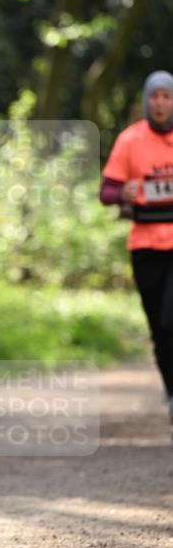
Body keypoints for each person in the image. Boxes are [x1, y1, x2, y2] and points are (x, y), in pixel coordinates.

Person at [100, 70, 173, 439]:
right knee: (160, 328)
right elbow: (107, 191)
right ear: (148, 101)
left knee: (171, 317)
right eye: (155, 96)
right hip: (145, 244)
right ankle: (171, 387)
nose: (161, 103)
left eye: (167, 96)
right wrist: (123, 194)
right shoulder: (131, 140)